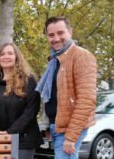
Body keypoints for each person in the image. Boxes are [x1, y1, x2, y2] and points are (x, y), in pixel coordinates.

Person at [36, 16, 97, 159]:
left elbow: (87, 100)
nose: (56, 38)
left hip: (70, 128)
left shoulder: (81, 56)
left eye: (60, 33)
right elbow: (51, 96)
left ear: (70, 32)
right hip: (57, 126)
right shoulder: (55, 60)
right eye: (51, 35)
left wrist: (71, 136)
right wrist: (48, 125)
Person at [0, 43, 42, 159]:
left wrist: (11, 132)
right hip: (0, 139)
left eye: (10, 53)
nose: (6, 56)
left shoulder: (28, 80)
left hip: (23, 140)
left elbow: (31, 111)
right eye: (2, 54)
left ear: (17, 57)